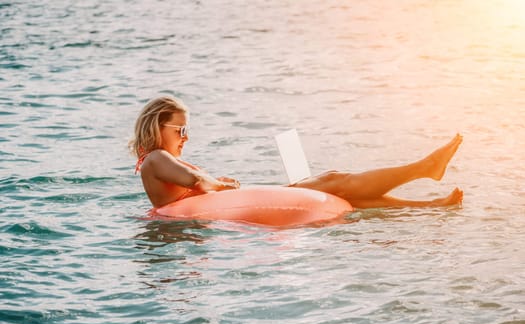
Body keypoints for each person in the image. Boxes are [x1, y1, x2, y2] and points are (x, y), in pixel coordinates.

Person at [129, 96, 463, 209]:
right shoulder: (157, 158)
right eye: (181, 130)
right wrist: (220, 184)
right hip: (233, 209)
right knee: (335, 180)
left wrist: (218, 182)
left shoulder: (158, 160)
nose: (186, 137)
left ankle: (428, 205)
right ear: (157, 127)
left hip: (228, 206)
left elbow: (197, 181)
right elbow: (197, 181)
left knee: (345, 193)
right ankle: (424, 168)